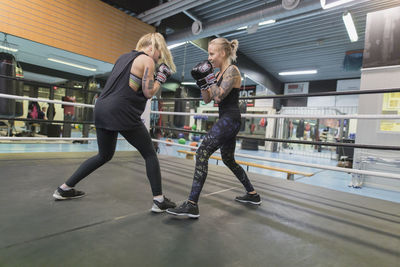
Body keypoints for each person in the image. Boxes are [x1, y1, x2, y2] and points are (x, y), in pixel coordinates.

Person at [53, 32, 177, 213]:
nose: (158, 59)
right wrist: (160, 78)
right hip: (121, 111)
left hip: (102, 108)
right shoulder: (147, 60)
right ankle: (159, 200)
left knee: (104, 155)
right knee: (150, 153)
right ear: (152, 47)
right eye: (159, 54)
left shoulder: (123, 58)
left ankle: (64, 189)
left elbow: (132, 86)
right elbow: (149, 92)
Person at [167, 38, 261, 218]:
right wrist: (202, 81)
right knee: (228, 159)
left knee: (201, 152)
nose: (209, 58)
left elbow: (218, 97)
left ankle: (192, 204)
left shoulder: (232, 71)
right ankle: (253, 194)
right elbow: (207, 99)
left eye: (212, 54)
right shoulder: (218, 74)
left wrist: (208, 78)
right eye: (208, 54)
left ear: (223, 53)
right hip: (227, 120)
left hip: (230, 119)